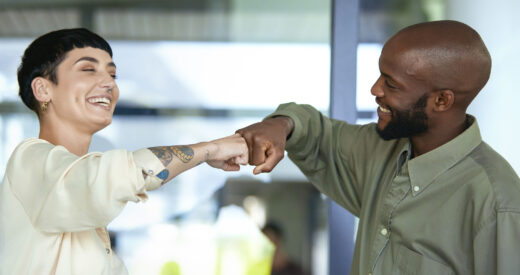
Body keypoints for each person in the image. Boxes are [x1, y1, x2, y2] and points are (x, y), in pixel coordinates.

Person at [236, 20, 520, 275]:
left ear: (442, 101)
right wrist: (282, 125)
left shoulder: (497, 204)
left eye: (392, 84)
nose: (375, 89)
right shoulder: (379, 150)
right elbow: (318, 134)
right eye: (380, 75)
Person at [0, 28, 248, 275]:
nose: (109, 83)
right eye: (88, 69)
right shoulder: (29, 161)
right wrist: (210, 149)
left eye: (112, 74)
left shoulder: (86, 219)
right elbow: (122, 174)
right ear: (43, 90)